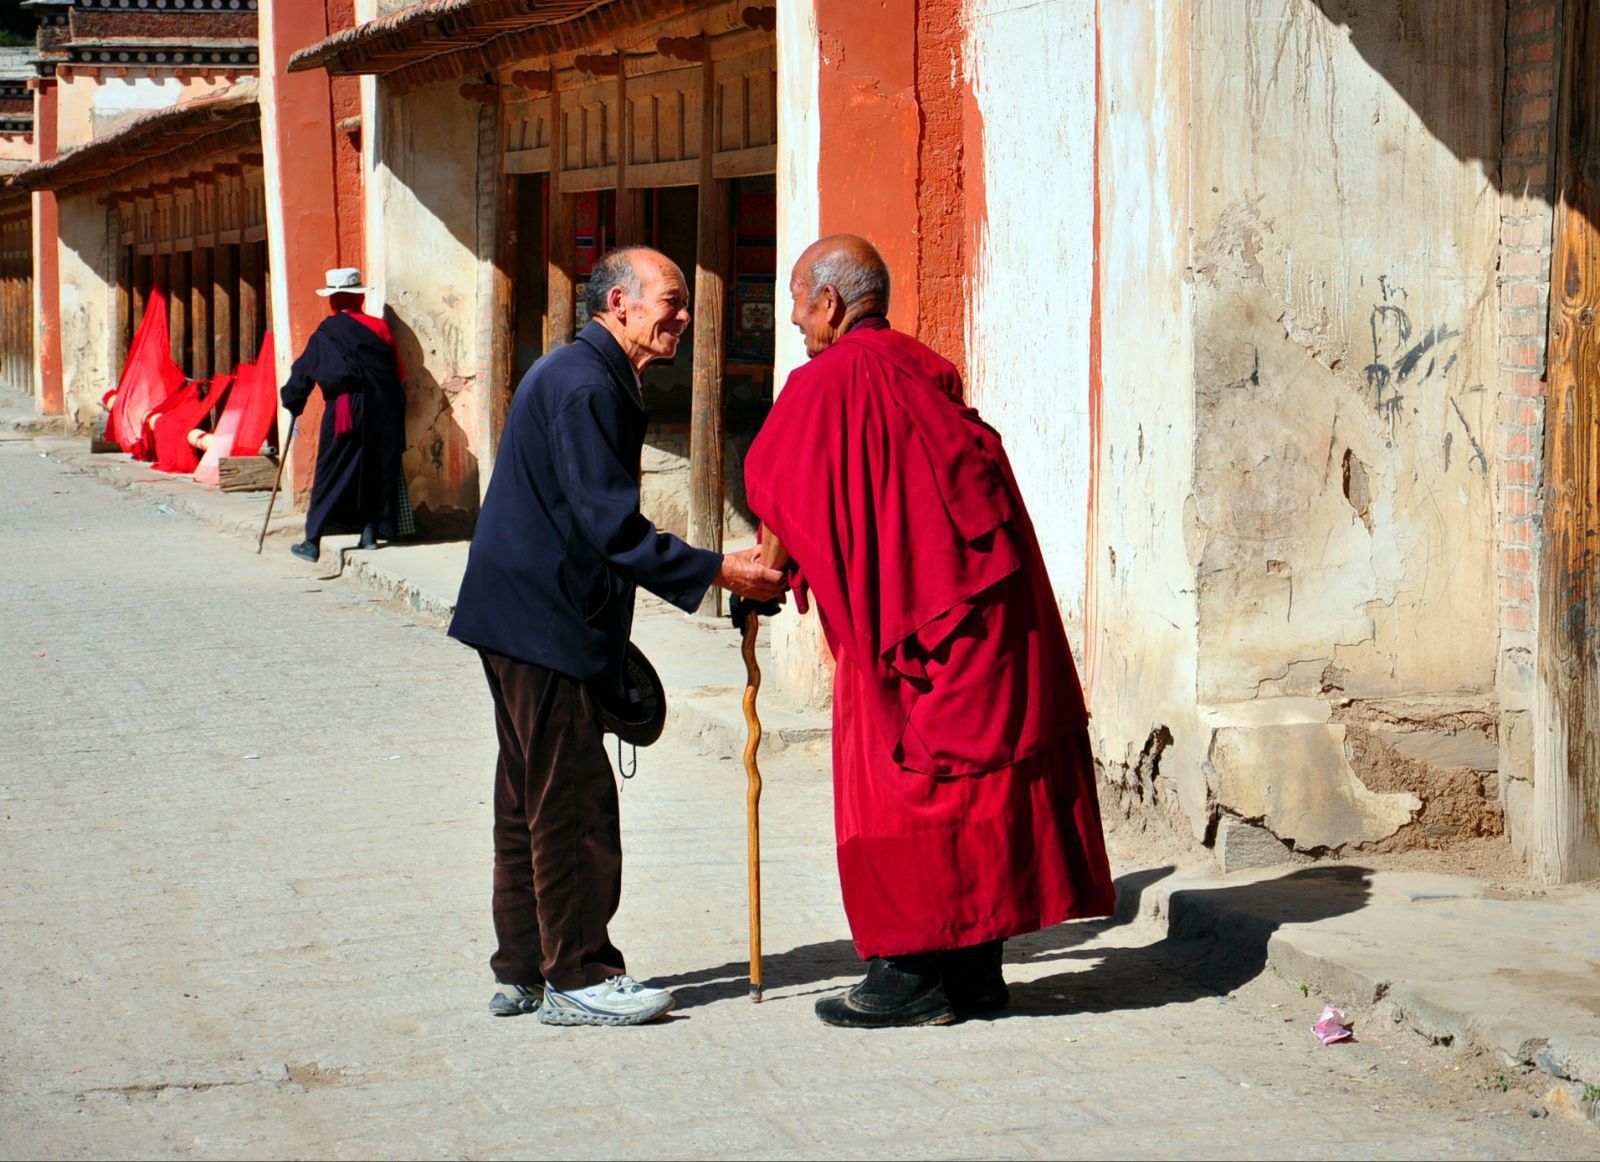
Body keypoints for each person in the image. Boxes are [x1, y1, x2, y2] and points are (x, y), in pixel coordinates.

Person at [742, 234, 1117, 1028]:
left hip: (903, 634)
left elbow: (777, 486)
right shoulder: (925, 370)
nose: (799, 328)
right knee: (979, 782)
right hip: (986, 625)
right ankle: (975, 975)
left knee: (901, 787)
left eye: (800, 308)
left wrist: (769, 571)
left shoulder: (823, 387)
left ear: (831, 304)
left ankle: (909, 975)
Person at [448, 246, 786, 1027]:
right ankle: (579, 973)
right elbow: (611, 527)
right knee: (570, 799)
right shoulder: (584, 384)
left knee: (527, 794)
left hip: (520, 614)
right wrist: (715, 571)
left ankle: (525, 966)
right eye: (671, 299)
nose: (683, 316)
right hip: (544, 620)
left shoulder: (587, 374)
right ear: (619, 304)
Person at [280, 268, 408, 563]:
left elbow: (303, 373)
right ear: (359, 296)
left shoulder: (327, 331)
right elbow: (397, 371)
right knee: (375, 468)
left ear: (333, 300)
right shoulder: (379, 327)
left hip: (344, 410)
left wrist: (294, 401)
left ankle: (312, 540)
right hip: (383, 408)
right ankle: (370, 532)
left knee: (332, 470)